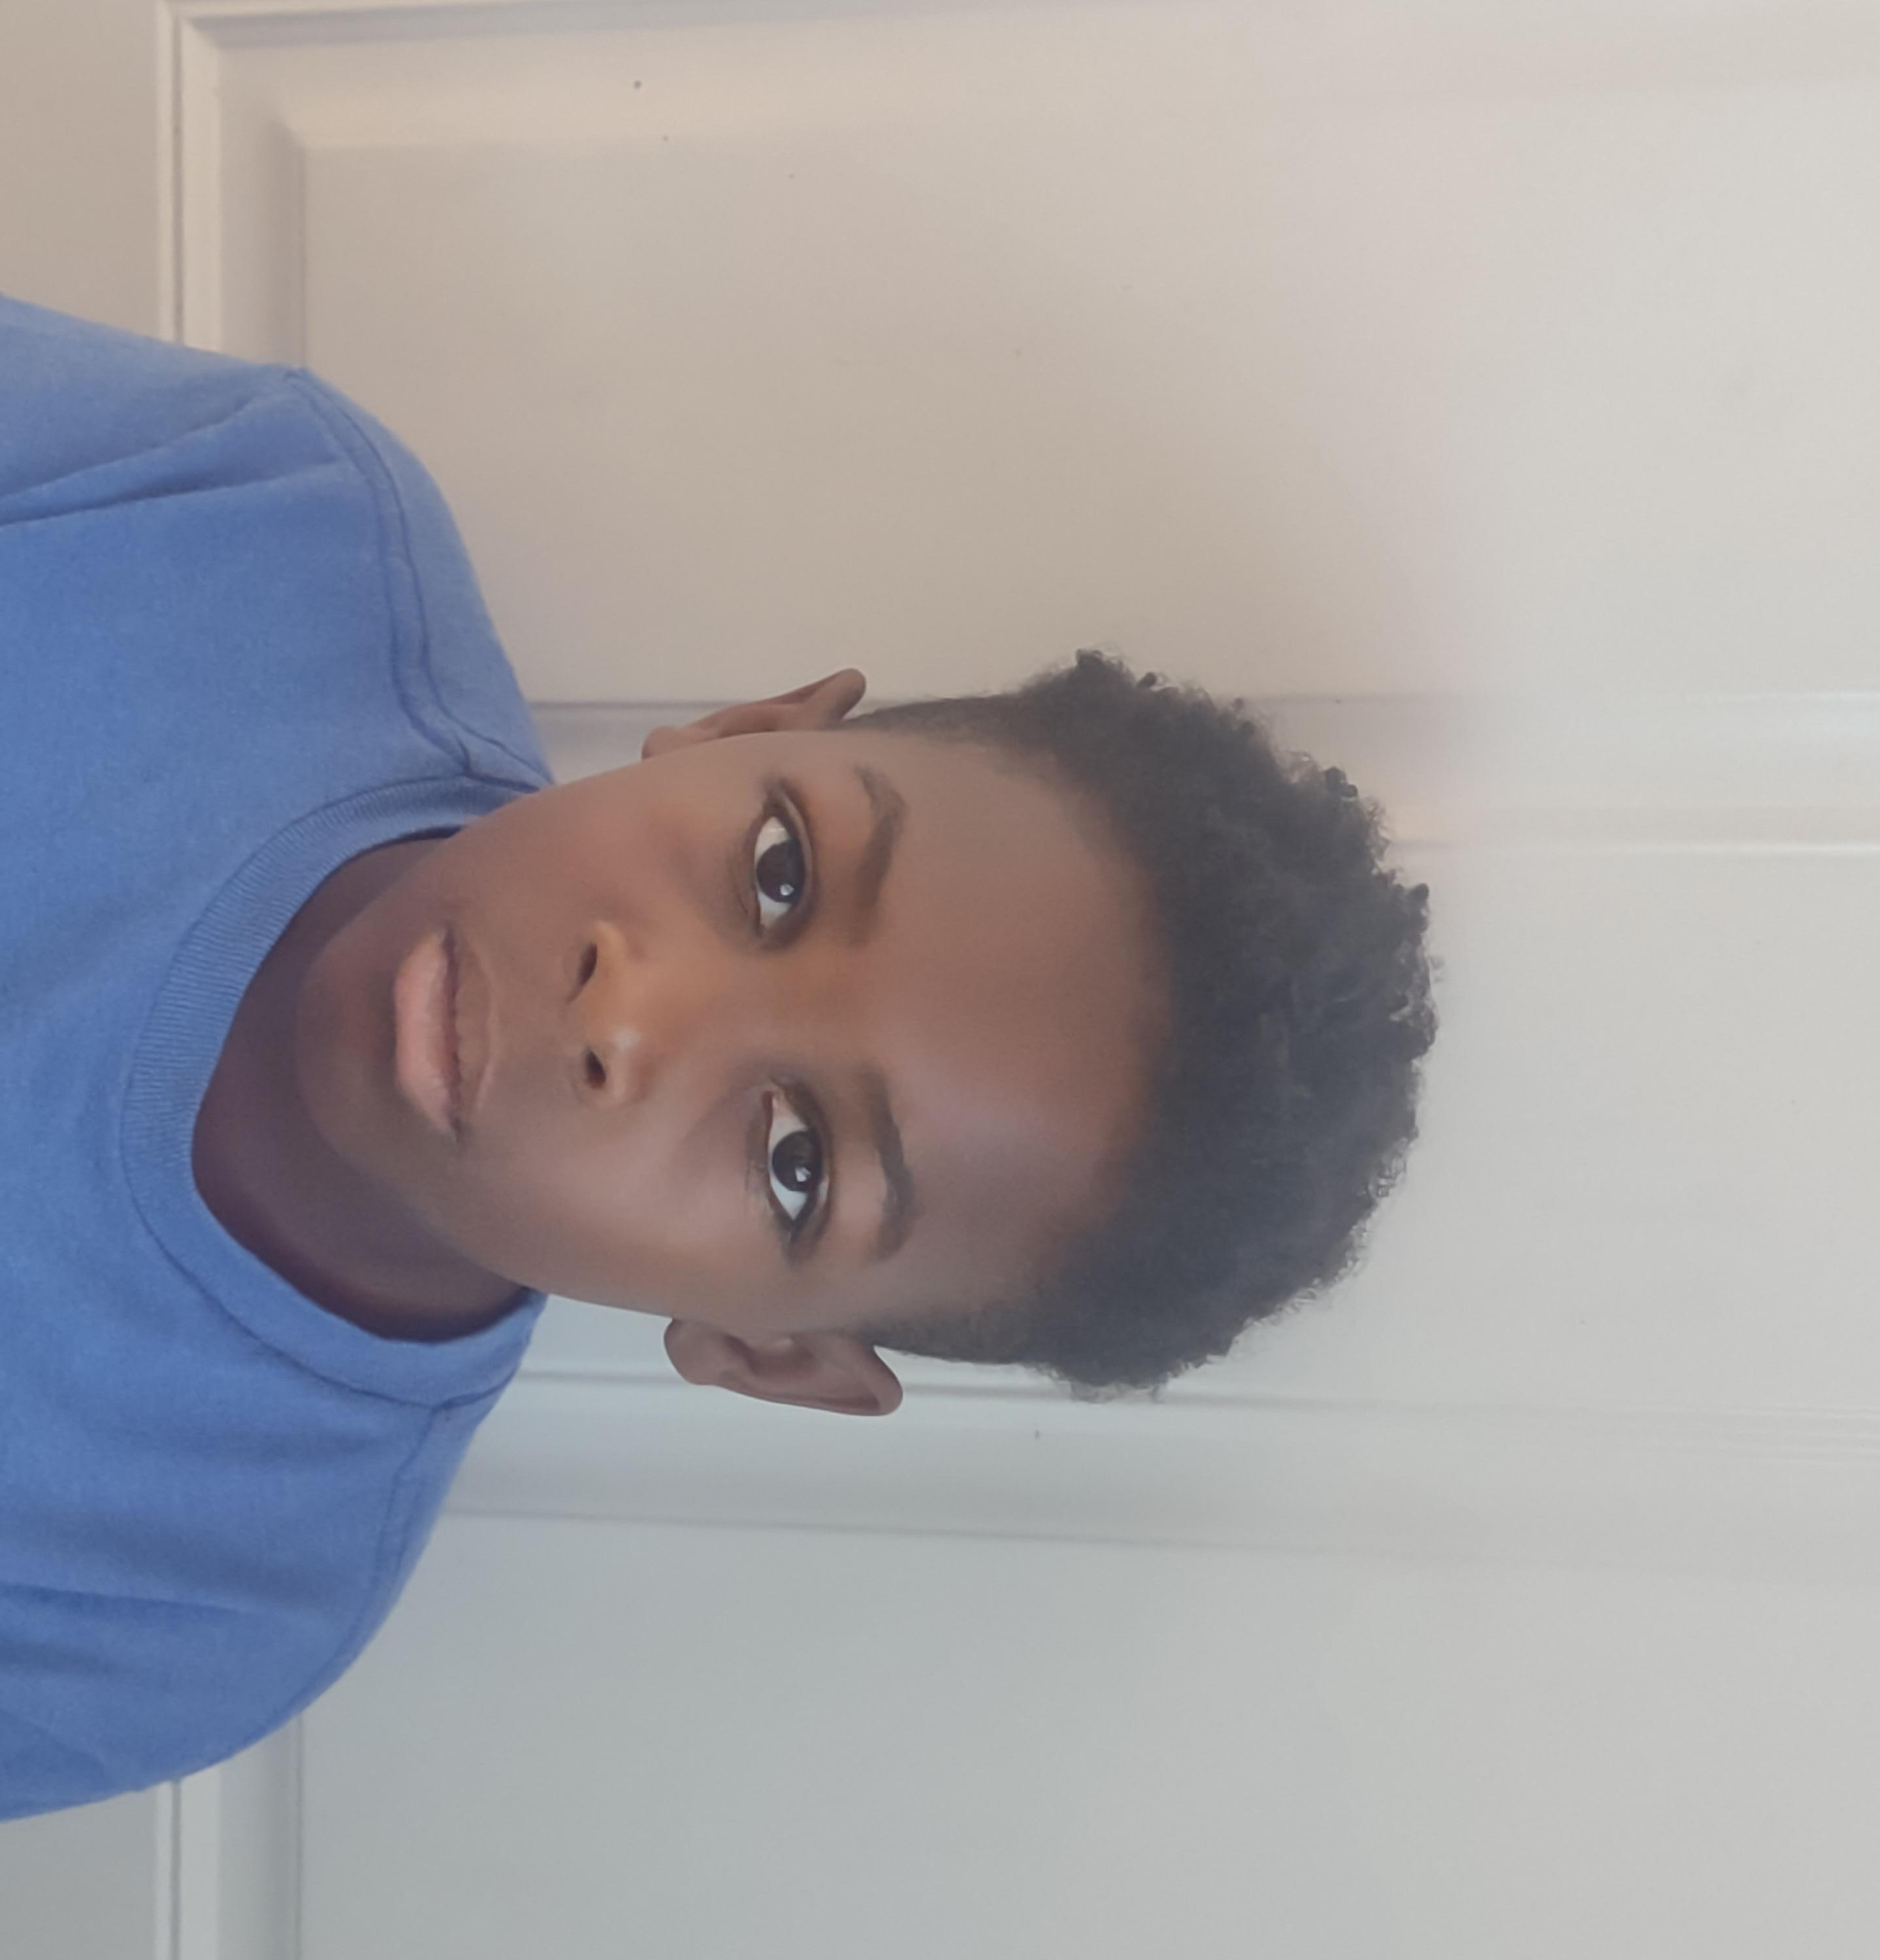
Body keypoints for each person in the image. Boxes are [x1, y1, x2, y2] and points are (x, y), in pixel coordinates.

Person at [0, 293, 1434, 1821]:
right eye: (777, 871)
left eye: (796, 1162)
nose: (626, 1013)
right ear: (744, 730)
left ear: (767, 1351)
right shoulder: (254, 511)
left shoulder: (197, 1611)